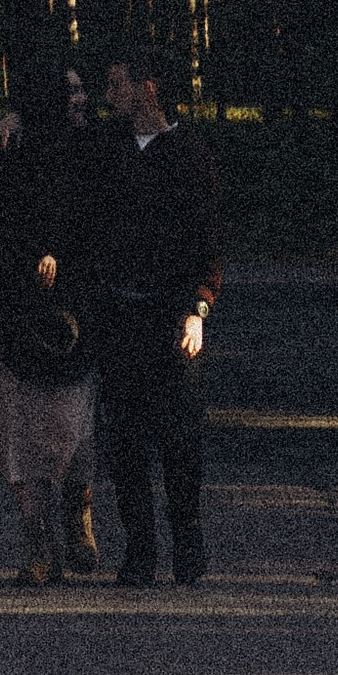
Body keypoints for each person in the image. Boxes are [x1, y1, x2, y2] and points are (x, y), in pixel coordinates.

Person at [0, 65, 107, 585]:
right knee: (12, 430)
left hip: (70, 315)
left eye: (82, 88)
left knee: (70, 423)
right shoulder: (3, 149)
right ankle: (38, 540)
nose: (80, 99)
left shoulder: (92, 148)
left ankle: (77, 513)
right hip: (2, 310)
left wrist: (59, 251)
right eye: (69, 91)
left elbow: (100, 222)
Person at [93, 44, 222, 587]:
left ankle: (187, 547)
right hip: (119, 317)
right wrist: (11, 119)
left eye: (117, 84)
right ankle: (139, 551)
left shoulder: (189, 154)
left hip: (171, 318)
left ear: (146, 88)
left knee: (179, 440)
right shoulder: (106, 148)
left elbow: (208, 240)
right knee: (124, 442)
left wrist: (198, 309)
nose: (109, 95)